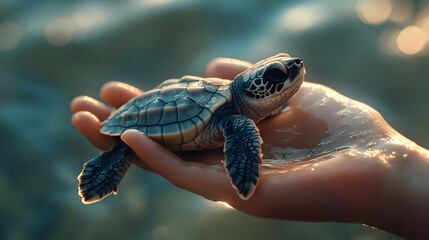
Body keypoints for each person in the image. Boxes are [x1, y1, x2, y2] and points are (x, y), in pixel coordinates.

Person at [71, 57, 429, 239]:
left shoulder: (254, 107)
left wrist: (395, 182)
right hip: (153, 118)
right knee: (129, 146)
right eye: (275, 76)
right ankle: (112, 163)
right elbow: (242, 131)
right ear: (255, 87)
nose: (293, 70)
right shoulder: (235, 117)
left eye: (285, 68)